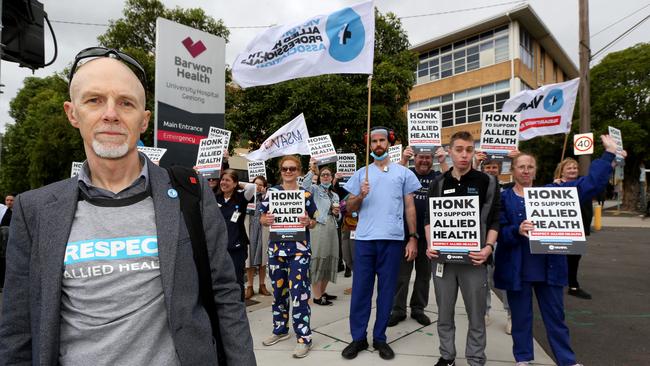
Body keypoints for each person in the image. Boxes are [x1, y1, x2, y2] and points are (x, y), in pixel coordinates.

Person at [0, 48, 255, 365]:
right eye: (94, 100)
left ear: (144, 120)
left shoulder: (190, 193)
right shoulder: (34, 209)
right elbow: (17, 328)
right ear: (72, 113)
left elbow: (225, 296)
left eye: (126, 102)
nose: (111, 114)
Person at [494, 135, 620, 366]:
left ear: (536, 170)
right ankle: (523, 359)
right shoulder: (503, 198)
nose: (526, 170)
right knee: (521, 318)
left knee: (556, 317)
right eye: (521, 167)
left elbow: (589, 184)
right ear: (512, 170)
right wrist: (516, 229)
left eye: (530, 166)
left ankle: (567, 360)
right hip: (517, 268)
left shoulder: (553, 192)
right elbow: (497, 232)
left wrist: (608, 154)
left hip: (549, 267)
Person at [340, 126, 421, 361]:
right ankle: (358, 338)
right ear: (370, 145)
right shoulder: (361, 174)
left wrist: (413, 237)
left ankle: (380, 337)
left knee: (386, 293)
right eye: (374, 141)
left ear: (389, 143)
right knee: (361, 292)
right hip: (365, 240)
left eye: (382, 140)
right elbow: (349, 208)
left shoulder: (403, 173)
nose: (378, 144)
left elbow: (409, 207)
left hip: (393, 240)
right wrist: (360, 195)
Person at [425, 131, 500, 366]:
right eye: (459, 150)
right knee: (444, 313)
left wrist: (488, 248)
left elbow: (496, 219)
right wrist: (430, 244)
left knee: (476, 315)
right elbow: (428, 218)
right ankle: (447, 356)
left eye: (469, 150)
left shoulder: (487, 181)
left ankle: (476, 359)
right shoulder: (438, 182)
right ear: (449, 151)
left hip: (475, 259)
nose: (464, 155)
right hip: (443, 262)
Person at [260, 155, 317, 358]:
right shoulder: (271, 193)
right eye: (285, 169)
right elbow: (262, 218)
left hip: (299, 251)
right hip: (276, 250)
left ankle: (304, 337)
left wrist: (308, 222)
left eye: (292, 169)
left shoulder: (306, 195)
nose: (288, 172)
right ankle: (280, 329)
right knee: (278, 293)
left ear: (299, 171)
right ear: (280, 171)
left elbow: (314, 221)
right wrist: (265, 219)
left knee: (300, 293)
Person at [388, 146, 448, 327]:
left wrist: (444, 161)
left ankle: (418, 308)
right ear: (415, 157)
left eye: (428, 157)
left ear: (432, 159)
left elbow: (453, 181)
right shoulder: (405, 173)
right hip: (405, 234)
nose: (424, 160)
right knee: (401, 275)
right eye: (421, 157)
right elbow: (389, 181)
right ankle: (398, 310)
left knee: (424, 275)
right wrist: (403, 160)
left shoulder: (437, 177)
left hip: (430, 236)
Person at [554, 158, 593, 300]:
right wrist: (555, 186)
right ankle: (555, 282)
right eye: (569, 168)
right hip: (560, 228)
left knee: (575, 257)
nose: (572, 170)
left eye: (575, 168)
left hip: (579, 226)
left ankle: (573, 285)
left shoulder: (583, 184)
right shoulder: (555, 186)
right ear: (562, 171)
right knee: (557, 256)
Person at [215, 169, 256, 301]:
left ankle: (238, 306)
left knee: (236, 279)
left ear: (235, 183)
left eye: (227, 180)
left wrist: (238, 184)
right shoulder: (215, 198)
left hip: (237, 247)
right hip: (219, 247)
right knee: (220, 279)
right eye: (222, 180)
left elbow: (252, 187)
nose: (223, 182)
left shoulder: (240, 197)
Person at [303, 161, 340, 306]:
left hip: (332, 227)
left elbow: (339, 215)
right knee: (318, 259)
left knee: (329, 259)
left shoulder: (335, 195)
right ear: (320, 177)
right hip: (319, 228)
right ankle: (317, 296)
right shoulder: (314, 190)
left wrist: (337, 214)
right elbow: (304, 186)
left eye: (328, 175)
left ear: (331, 178)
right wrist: (312, 170)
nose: (325, 177)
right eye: (323, 175)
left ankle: (323, 291)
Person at [245, 175, 272, 299]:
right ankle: (249, 286)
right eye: (255, 184)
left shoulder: (268, 199)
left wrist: (266, 195)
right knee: (249, 259)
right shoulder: (247, 197)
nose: (258, 187)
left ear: (265, 187)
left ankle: (262, 285)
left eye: (260, 184)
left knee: (262, 259)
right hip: (250, 229)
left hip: (263, 230)